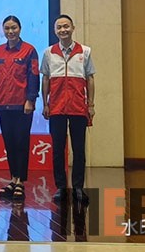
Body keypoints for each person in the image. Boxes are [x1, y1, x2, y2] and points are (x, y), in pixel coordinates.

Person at [41, 14, 96, 204]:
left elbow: (90, 78)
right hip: (56, 107)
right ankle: (61, 187)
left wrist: (91, 104)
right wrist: (45, 103)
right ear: (55, 30)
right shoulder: (49, 52)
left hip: (78, 107)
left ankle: (78, 187)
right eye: (59, 27)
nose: (63, 30)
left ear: (73, 28)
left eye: (66, 26)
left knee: (79, 149)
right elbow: (45, 78)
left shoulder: (85, 51)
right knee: (58, 149)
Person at [0, 15, 40, 201]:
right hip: (3, 105)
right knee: (9, 143)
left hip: (22, 105)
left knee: (21, 142)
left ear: (20, 29)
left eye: (14, 28)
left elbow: (34, 76)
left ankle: (20, 182)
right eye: (7, 28)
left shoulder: (29, 50)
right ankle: (13, 179)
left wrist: (31, 99)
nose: (10, 31)